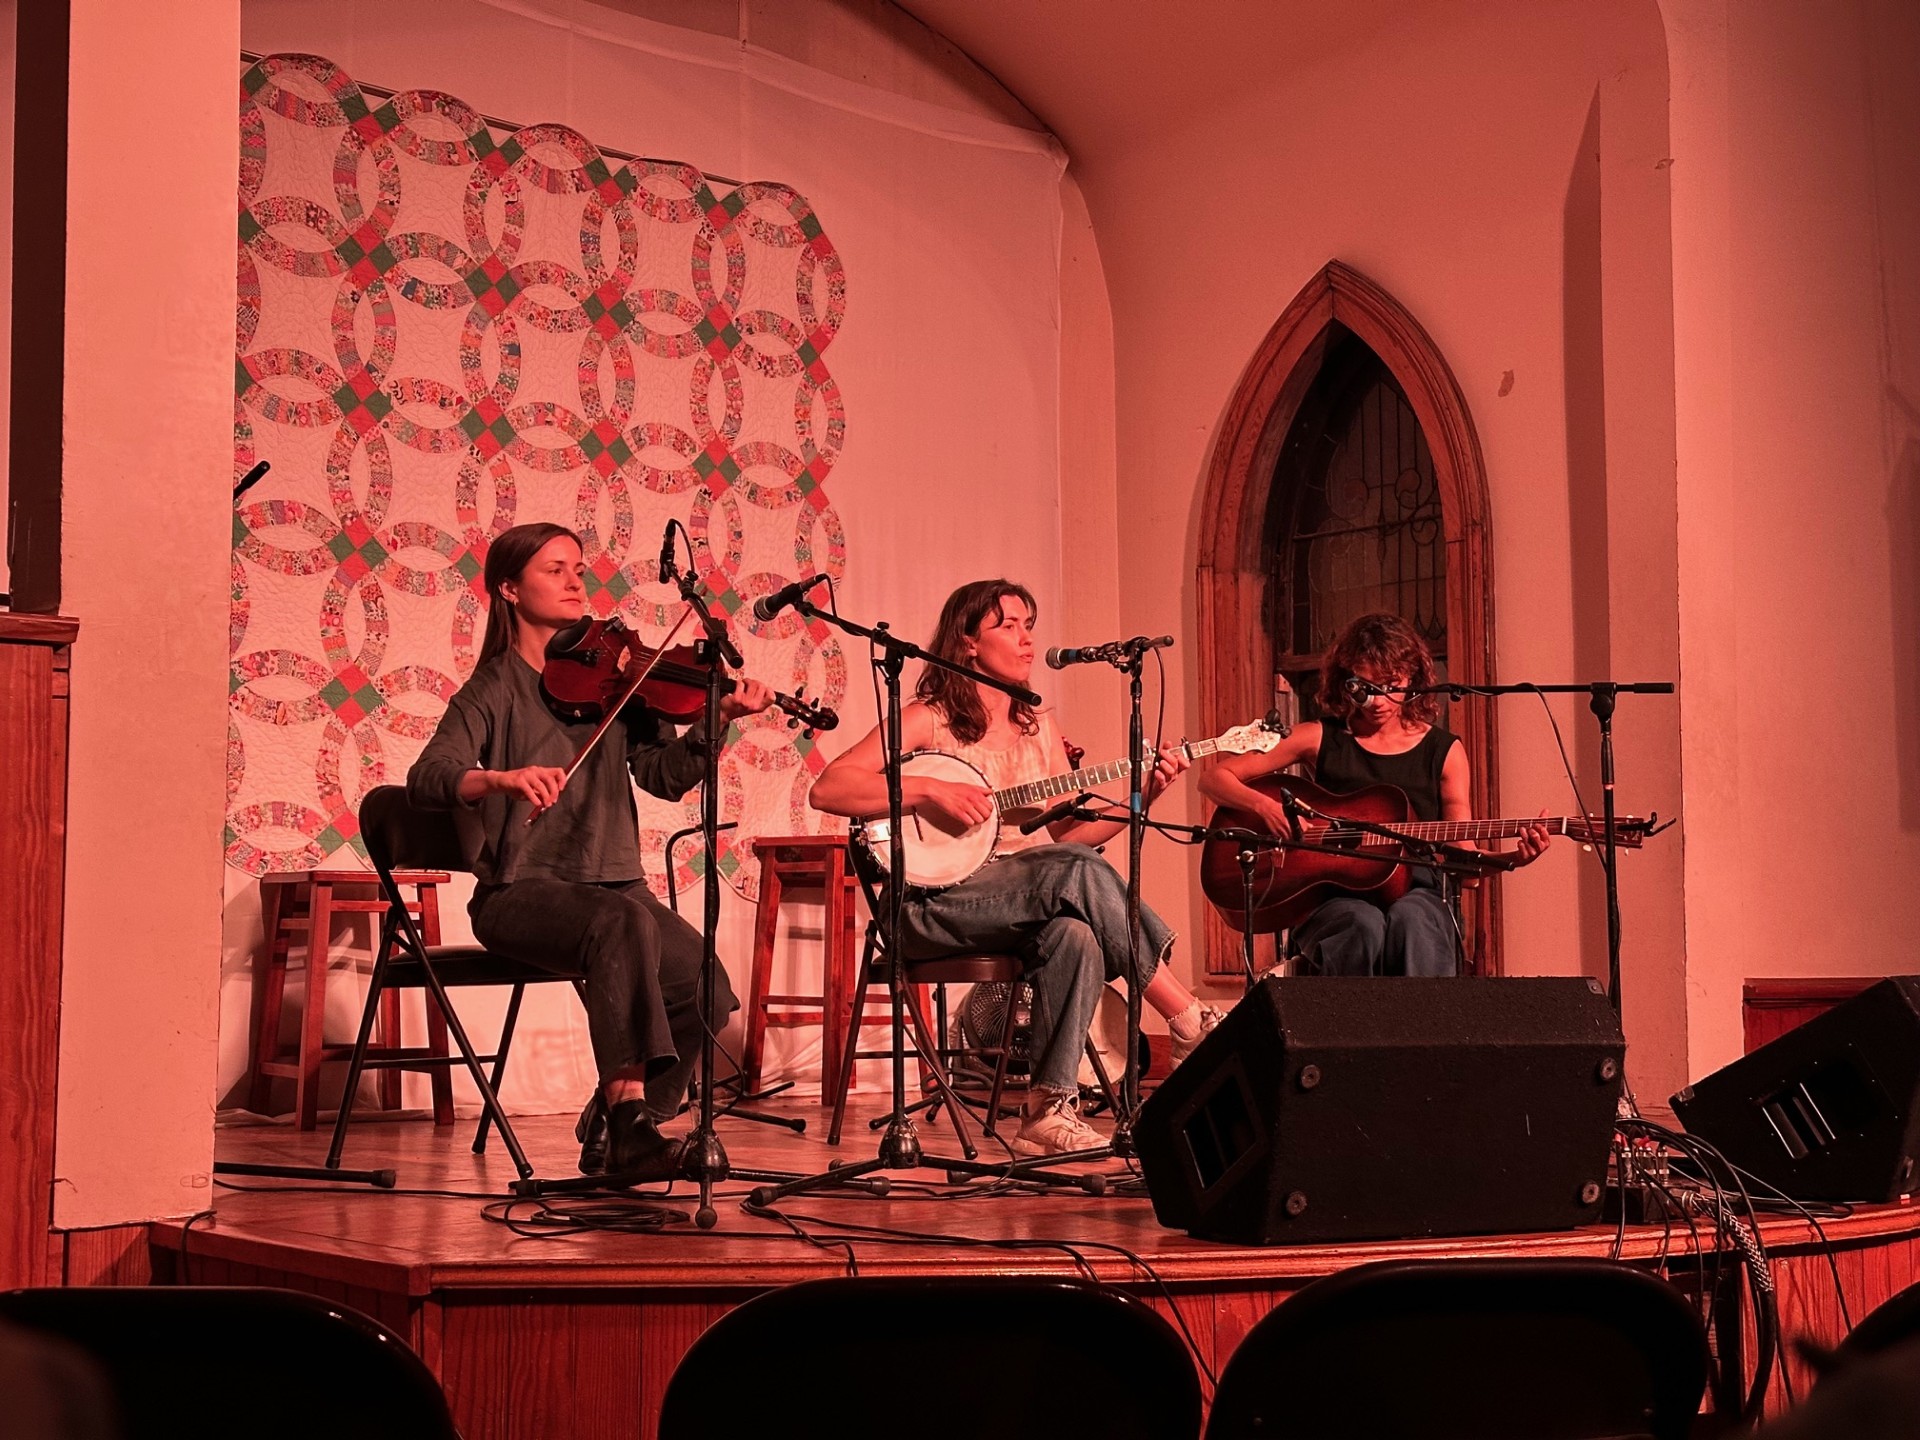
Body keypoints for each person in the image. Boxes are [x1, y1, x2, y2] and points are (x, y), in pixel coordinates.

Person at [405, 521, 773, 1178]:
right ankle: (630, 1125)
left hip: (614, 887)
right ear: (510, 589)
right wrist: (499, 779)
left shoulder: (617, 678)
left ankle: (625, 1126)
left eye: (579, 567)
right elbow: (428, 775)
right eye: (555, 569)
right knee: (623, 921)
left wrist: (713, 726)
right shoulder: (495, 688)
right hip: (519, 892)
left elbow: (662, 776)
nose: (576, 580)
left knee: (706, 990)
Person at [807, 579, 1222, 1156]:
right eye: (1008, 625)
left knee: (1074, 933)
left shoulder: (1037, 727)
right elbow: (828, 789)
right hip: (932, 905)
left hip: (1019, 897)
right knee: (1073, 872)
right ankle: (1186, 1018)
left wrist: (1141, 796)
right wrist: (926, 791)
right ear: (968, 642)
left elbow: (1069, 836)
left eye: (1029, 624)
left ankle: (1046, 1109)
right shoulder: (928, 720)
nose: (1027, 639)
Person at [1198, 611, 1549, 976]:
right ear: (1346, 681)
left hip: (1420, 891)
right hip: (1332, 893)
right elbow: (1213, 779)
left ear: (1412, 677)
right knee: (1360, 925)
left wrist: (1514, 858)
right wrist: (1265, 806)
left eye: (1390, 685)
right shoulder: (1319, 737)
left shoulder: (1443, 752)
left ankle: (1426, 1033)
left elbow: (1464, 860)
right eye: (1365, 687)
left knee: (1411, 921)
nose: (1378, 701)